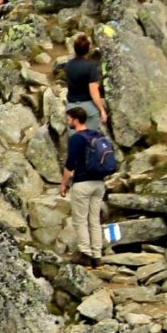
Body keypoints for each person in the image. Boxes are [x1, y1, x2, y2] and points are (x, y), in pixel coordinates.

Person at [59, 104, 117, 261]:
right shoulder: (96, 135)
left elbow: (70, 164)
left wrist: (64, 184)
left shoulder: (76, 138)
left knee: (80, 220)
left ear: (76, 120)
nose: (67, 121)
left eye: (69, 119)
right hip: (99, 183)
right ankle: (97, 256)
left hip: (82, 183)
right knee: (94, 220)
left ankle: (85, 253)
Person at [63, 33, 109, 132]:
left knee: (75, 141)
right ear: (88, 50)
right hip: (87, 107)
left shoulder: (68, 65)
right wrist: (102, 110)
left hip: (72, 106)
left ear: (75, 49)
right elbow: (93, 91)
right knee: (90, 138)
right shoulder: (91, 66)